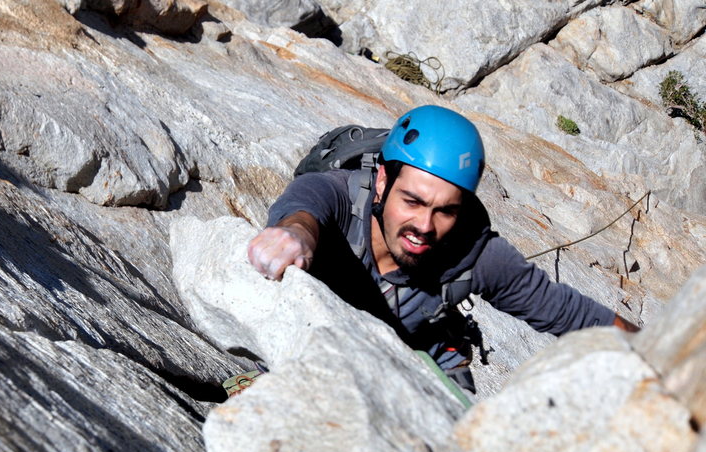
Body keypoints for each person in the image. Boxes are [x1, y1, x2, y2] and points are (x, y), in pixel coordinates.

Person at [245, 105, 639, 394]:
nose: (425, 227)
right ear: (381, 182)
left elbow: (570, 314)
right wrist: (293, 236)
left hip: (421, 370)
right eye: (412, 202)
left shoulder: (477, 254)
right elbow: (302, 212)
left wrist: (672, 360)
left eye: (446, 210)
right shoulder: (335, 194)